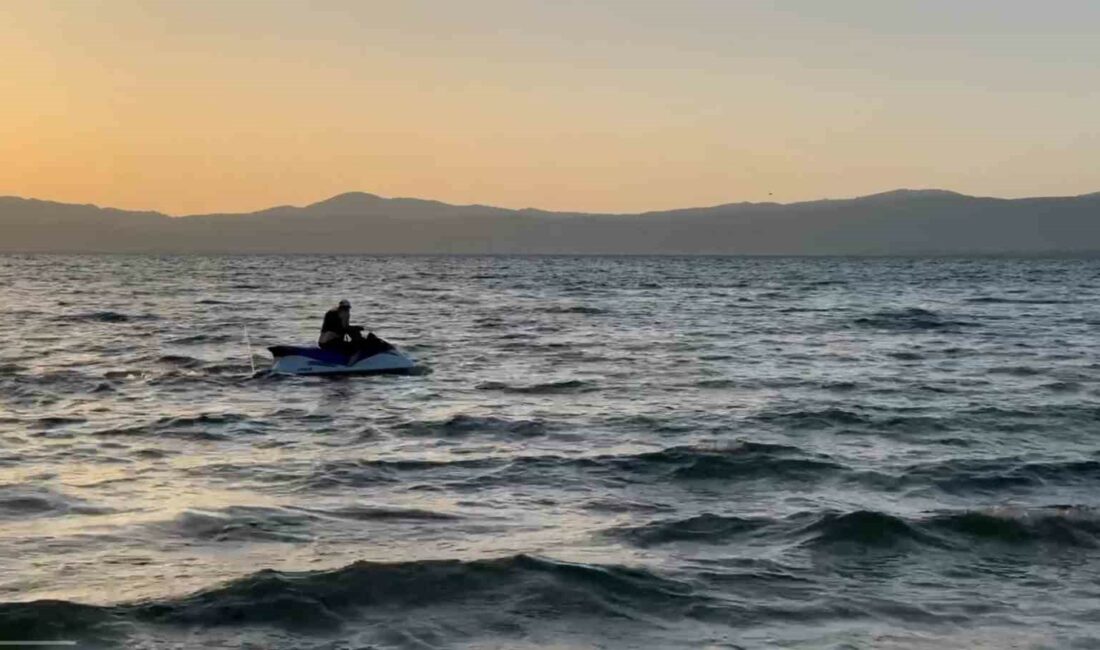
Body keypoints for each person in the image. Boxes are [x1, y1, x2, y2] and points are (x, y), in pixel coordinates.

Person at [318, 299, 392, 361]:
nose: (347, 311)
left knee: (355, 338)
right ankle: (351, 363)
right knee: (357, 345)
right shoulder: (343, 313)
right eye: (347, 309)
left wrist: (357, 328)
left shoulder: (331, 313)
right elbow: (345, 328)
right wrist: (358, 328)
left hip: (322, 343)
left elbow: (343, 328)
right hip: (330, 343)